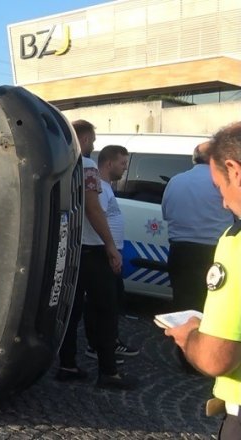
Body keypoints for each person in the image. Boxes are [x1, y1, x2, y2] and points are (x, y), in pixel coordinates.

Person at [166, 121, 241, 439]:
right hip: (203, 249)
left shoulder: (236, 243)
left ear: (234, 171)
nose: (224, 202)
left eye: (219, 187)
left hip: (182, 249)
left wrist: (190, 336)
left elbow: (216, 357)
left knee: (188, 307)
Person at [56, 120, 136, 390]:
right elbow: (93, 208)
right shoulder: (87, 166)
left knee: (70, 311)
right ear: (85, 138)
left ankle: (67, 364)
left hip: (68, 250)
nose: (94, 144)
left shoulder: (57, 163)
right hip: (92, 251)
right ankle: (109, 372)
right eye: (92, 139)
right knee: (105, 311)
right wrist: (111, 247)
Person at [83, 145, 139, 362]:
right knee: (105, 304)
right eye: (123, 163)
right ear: (109, 163)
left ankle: (103, 343)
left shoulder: (105, 187)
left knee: (109, 301)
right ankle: (102, 346)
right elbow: (96, 216)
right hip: (103, 252)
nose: (125, 168)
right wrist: (109, 248)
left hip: (108, 250)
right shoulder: (102, 188)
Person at [163, 141, 234, 312]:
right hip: (214, 252)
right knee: (213, 306)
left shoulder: (175, 180)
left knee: (182, 304)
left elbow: (166, 213)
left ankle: (183, 337)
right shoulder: (222, 182)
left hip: (180, 251)